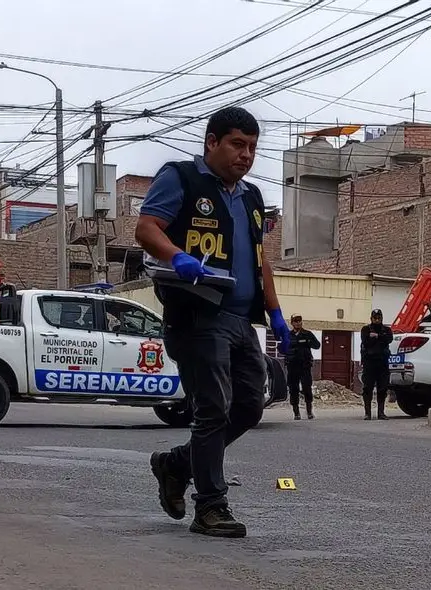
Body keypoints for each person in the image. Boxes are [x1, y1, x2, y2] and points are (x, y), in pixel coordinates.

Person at [134, 106, 291, 539]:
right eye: (238, 144)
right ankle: (211, 507)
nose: (246, 155)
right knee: (213, 408)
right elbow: (147, 228)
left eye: (253, 148)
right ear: (212, 142)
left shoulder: (252, 197)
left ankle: (176, 465)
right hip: (197, 314)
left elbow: (262, 261)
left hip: (241, 320)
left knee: (248, 406)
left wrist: (275, 313)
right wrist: (177, 256)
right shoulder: (182, 177)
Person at [284, 314, 320, 420]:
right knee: (293, 389)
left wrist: (308, 342)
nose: (298, 323)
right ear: (292, 323)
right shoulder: (288, 335)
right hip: (292, 366)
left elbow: (317, 345)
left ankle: (309, 411)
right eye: (295, 321)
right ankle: (296, 413)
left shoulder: (307, 334)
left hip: (305, 366)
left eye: (299, 321)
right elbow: (283, 348)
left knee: (307, 388)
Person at [360, 309, 393, 420]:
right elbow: (366, 341)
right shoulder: (365, 329)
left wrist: (377, 336)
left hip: (382, 363)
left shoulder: (387, 330)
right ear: (371, 318)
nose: (377, 320)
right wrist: (378, 339)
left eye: (379, 318)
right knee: (367, 388)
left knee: (383, 388)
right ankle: (367, 413)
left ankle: (381, 413)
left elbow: (389, 339)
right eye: (375, 318)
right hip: (369, 363)